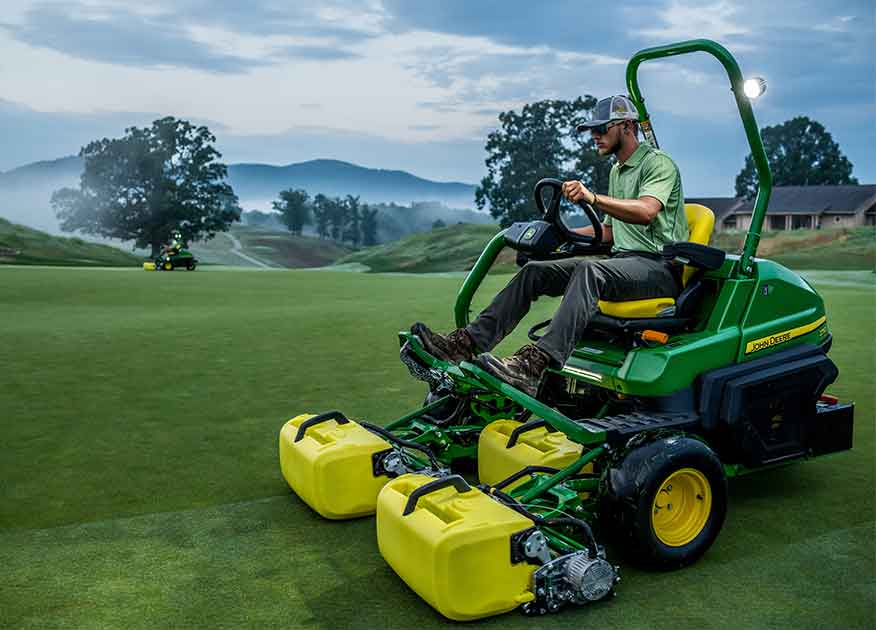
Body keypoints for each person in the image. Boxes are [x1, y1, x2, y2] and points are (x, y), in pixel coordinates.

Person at [412, 95, 688, 397]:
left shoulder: (658, 164)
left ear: (627, 126)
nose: (594, 136)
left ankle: (533, 367)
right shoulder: (617, 171)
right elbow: (609, 232)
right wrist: (560, 234)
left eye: (602, 129)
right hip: (621, 262)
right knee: (534, 271)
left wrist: (592, 198)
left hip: (660, 268)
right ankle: (463, 345)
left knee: (589, 270)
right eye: (592, 130)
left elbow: (646, 211)